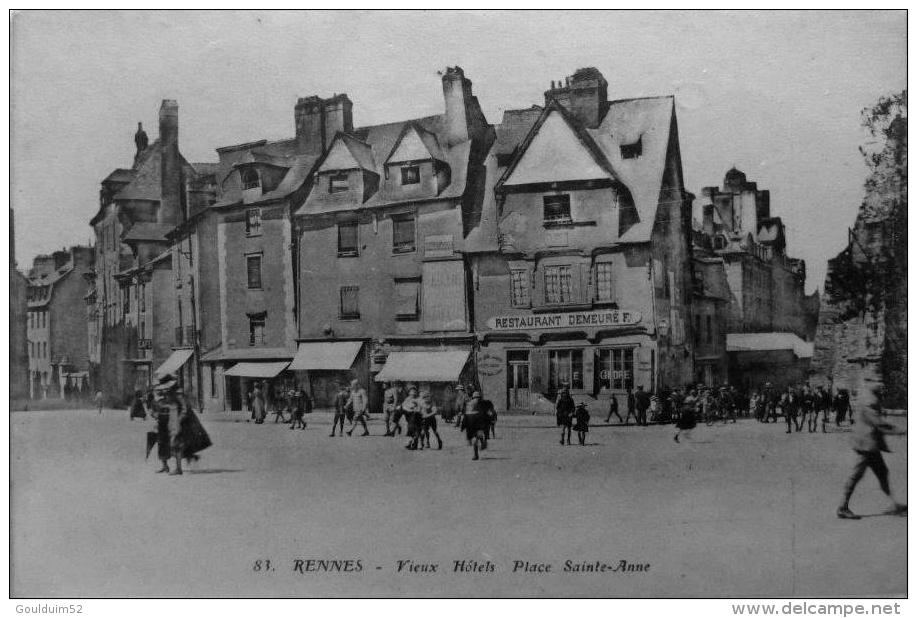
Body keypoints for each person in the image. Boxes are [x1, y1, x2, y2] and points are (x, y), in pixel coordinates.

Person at [837, 400, 907, 519]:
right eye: (877, 381)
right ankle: (842, 507)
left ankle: (893, 504)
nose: (880, 383)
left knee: (883, 473)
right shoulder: (868, 401)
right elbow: (879, 424)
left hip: (872, 446)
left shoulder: (872, 399)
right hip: (867, 446)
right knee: (856, 476)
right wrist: (900, 430)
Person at [461, 391, 490, 461]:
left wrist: (463, 426)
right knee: (477, 437)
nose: (476, 400)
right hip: (477, 423)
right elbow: (487, 414)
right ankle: (479, 450)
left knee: (476, 438)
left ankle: (476, 454)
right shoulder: (481, 404)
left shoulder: (471, 404)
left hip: (474, 424)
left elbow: (466, 416)